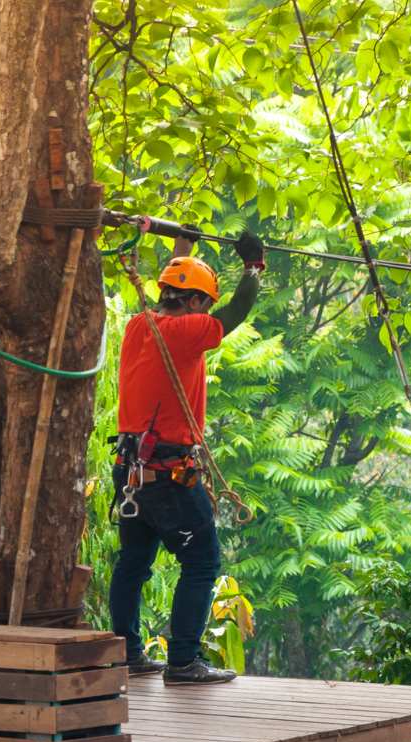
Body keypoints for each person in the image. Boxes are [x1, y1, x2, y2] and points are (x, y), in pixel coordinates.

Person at [110, 229, 265, 685]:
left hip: (131, 470)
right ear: (197, 303)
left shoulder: (142, 324)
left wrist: (183, 248)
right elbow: (236, 311)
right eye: (205, 304)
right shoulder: (189, 331)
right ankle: (182, 661)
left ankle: (126, 653)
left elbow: (171, 293)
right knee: (201, 563)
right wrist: (253, 266)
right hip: (166, 474)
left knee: (134, 562)